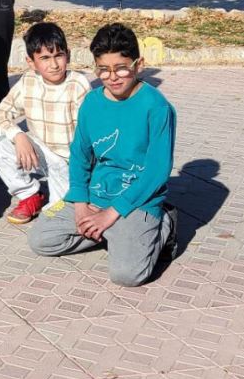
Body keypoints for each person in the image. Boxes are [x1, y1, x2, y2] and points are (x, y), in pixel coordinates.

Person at [29, 22, 177, 288]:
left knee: (127, 275)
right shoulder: (92, 102)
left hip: (137, 200)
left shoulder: (156, 107)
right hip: (97, 194)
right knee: (41, 239)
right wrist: (80, 202)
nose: (113, 77)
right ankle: (112, 233)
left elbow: (157, 171)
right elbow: (80, 155)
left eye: (121, 68)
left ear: (138, 65)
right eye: (103, 70)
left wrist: (112, 213)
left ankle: (163, 224)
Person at [0, 22, 91, 225]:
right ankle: (30, 195)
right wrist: (18, 135)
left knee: (57, 219)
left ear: (68, 55)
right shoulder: (28, 81)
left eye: (59, 55)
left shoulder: (78, 84)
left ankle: (62, 199)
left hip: (70, 164)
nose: (54, 65)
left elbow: (87, 137)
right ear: (31, 62)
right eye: (45, 58)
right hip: (41, 154)